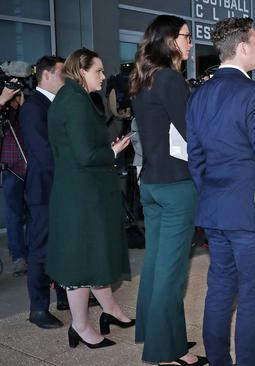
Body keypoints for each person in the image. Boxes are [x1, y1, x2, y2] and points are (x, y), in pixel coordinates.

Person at [186, 17, 255, 366]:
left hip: (215, 211)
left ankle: (218, 361)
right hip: (249, 216)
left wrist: (212, 192)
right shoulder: (254, 95)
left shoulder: (198, 95)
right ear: (242, 47)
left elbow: (194, 157)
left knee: (220, 290)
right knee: (253, 298)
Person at [130, 15, 206, 366]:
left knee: (157, 264)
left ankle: (154, 331)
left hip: (151, 183)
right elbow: (194, 133)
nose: (191, 42)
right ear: (170, 41)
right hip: (176, 185)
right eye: (186, 37)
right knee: (172, 271)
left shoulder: (143, 80)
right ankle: (166, 351)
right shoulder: (171, 80)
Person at [46, 48, 134, 348]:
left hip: (81, 192)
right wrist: (113, 151)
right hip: (81, 196)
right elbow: (84, 155)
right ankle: (80, 326)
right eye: (97, 70)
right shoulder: (74, 102)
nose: (103, 76)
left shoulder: (75, 98)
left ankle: (107, 311)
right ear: (81, 71)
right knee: (81, 262)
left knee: (91, 256)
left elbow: (79, 147)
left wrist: (106, 148)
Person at [19, 55, 69, 328]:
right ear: (46, 75)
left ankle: (63, 294)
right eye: (62, 74)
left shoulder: (56, 104)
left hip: (59, 187)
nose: (66, 80)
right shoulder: (33, 108)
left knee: (61, 244)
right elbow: (44, 154)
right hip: (44, 189)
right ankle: (37, 308)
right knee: (40, 249)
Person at [0, 83, 27, 277]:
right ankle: (18, 257)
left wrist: (24, 107)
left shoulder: (24, 112)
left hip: (30, 168)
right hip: (11, 170)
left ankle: (33, 252)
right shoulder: (4, 116)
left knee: (33, 213)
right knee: (14, 214)